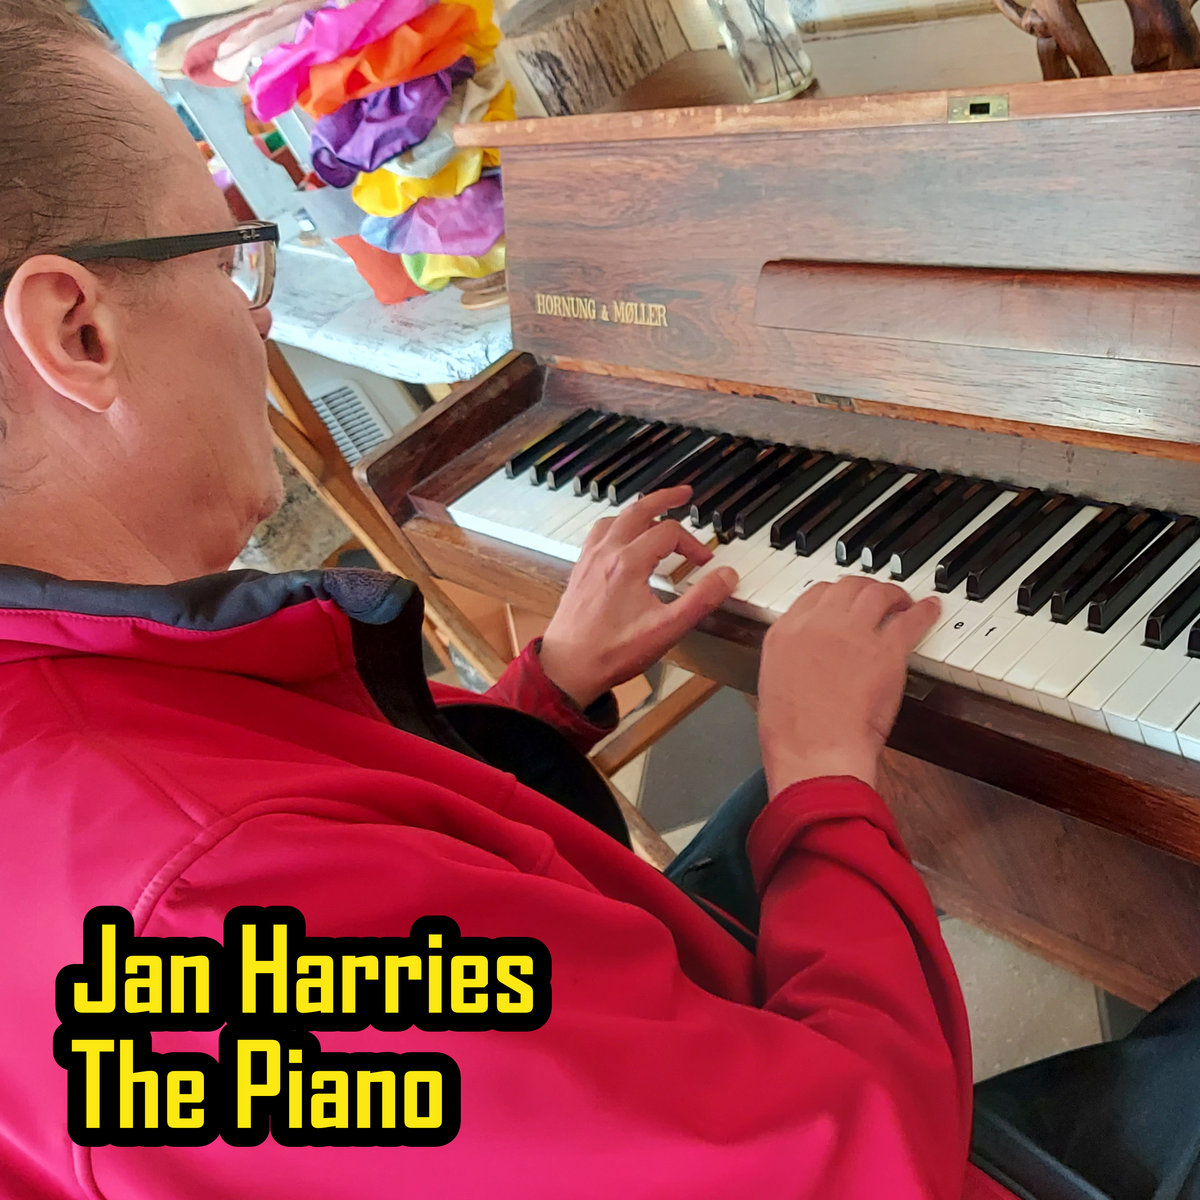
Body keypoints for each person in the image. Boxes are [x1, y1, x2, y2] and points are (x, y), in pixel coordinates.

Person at [0, 6, 1192, 1200]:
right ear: (76, 330)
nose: (253, 311)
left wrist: (542, 700)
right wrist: (821, 771)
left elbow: (395, 864)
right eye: (227, 262)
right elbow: (857, 1163)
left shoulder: (88, 732)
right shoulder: (219, 912)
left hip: (632, 1005)